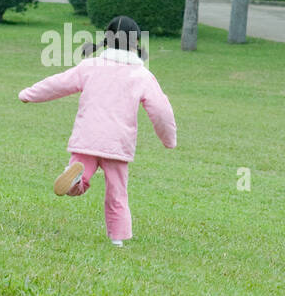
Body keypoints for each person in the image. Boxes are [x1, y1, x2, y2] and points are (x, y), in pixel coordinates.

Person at [18, 15, 177, 247]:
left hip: (87, 137)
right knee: (117, 194)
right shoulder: (142, 75)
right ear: (136, 43)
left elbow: (57, 84)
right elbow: (161, 111)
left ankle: (77, 179)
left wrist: (28, 94)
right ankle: (117, 240)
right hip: (118, 144)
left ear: (107, 40)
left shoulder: (90, 66)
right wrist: (169, 139)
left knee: (80, 175)